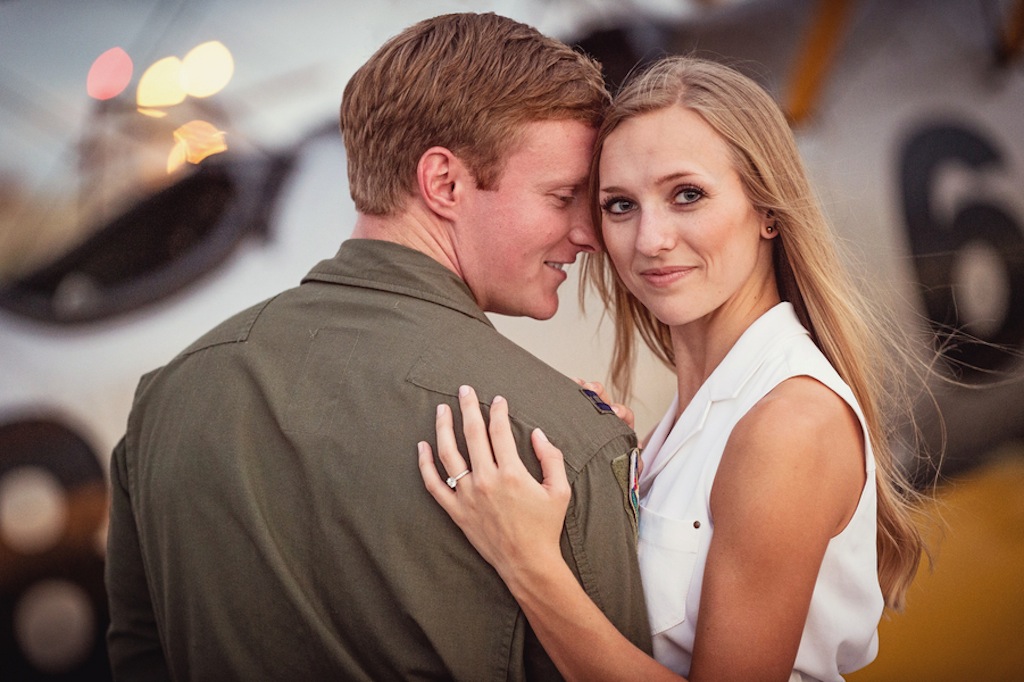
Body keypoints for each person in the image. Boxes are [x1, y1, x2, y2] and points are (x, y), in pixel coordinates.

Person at [104, 13, 652, 680]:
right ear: (444, 184)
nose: (588, 235)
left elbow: (138, 657)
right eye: (563, 197)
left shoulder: (166, 400)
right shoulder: (561, 446)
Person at [419, 56, 927, 681]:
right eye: (620, 205)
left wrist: (528, 564)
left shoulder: (789, 421)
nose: (651, 238)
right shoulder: (702, 411)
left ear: (768, 209)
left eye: (687, 195)